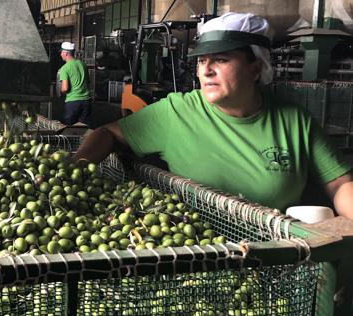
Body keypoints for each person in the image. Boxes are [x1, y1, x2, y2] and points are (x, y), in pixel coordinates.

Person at [74, 12, 353, 218]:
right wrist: (74, 170)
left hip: (272, 259)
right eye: (202, 61)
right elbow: (107, 133)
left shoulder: (295, 122)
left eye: (220, 59)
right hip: (197, 254)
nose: (206, 71)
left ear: (256, 68)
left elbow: (339, 183)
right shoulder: (177, 111)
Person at [58, 42, 92, 127]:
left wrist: (60, 90)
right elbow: (88, 82)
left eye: (61, 52)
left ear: (65, 53)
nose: (61, 54)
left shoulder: (64, 68)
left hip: (73, 102)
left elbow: (65, 88)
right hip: (87, 101)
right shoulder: (83, 64)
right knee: (84, 127)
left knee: (69, 129)